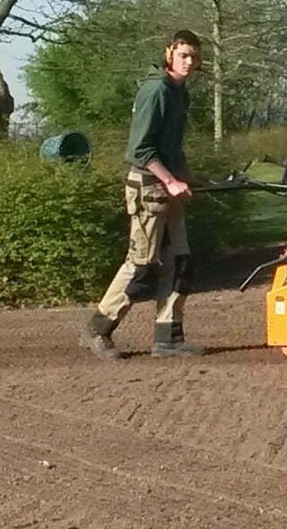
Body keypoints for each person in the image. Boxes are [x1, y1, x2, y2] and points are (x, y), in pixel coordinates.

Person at [82, 30, 205, 359]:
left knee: (179, 262)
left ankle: (168, 338)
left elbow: (171, 146)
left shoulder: (179, 92)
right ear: (169, 54)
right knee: (141, 265)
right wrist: (170, 180)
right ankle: (98, 328)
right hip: (148, 187)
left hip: (167, 186)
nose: (189, 62)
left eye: (194, 56)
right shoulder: (156, 90)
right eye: (183, 55)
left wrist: (186, 177)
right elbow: (140, 149)